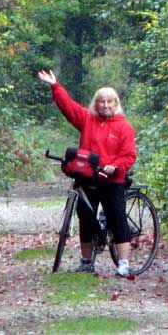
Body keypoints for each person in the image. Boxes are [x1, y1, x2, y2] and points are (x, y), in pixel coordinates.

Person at [37, 69, 136, 277]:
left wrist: (115, 166)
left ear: (116, 104)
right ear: (96, 104)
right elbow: (69, 107)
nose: (105, 105)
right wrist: (55, 86)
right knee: (85, 218)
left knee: (117, 219)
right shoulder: (87, 119)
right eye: (101, 102)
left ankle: (124, 263)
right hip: (88, 177)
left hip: (111, 180)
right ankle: (86, 262)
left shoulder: (124, 127)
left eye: (109, 102)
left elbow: (128, 156)